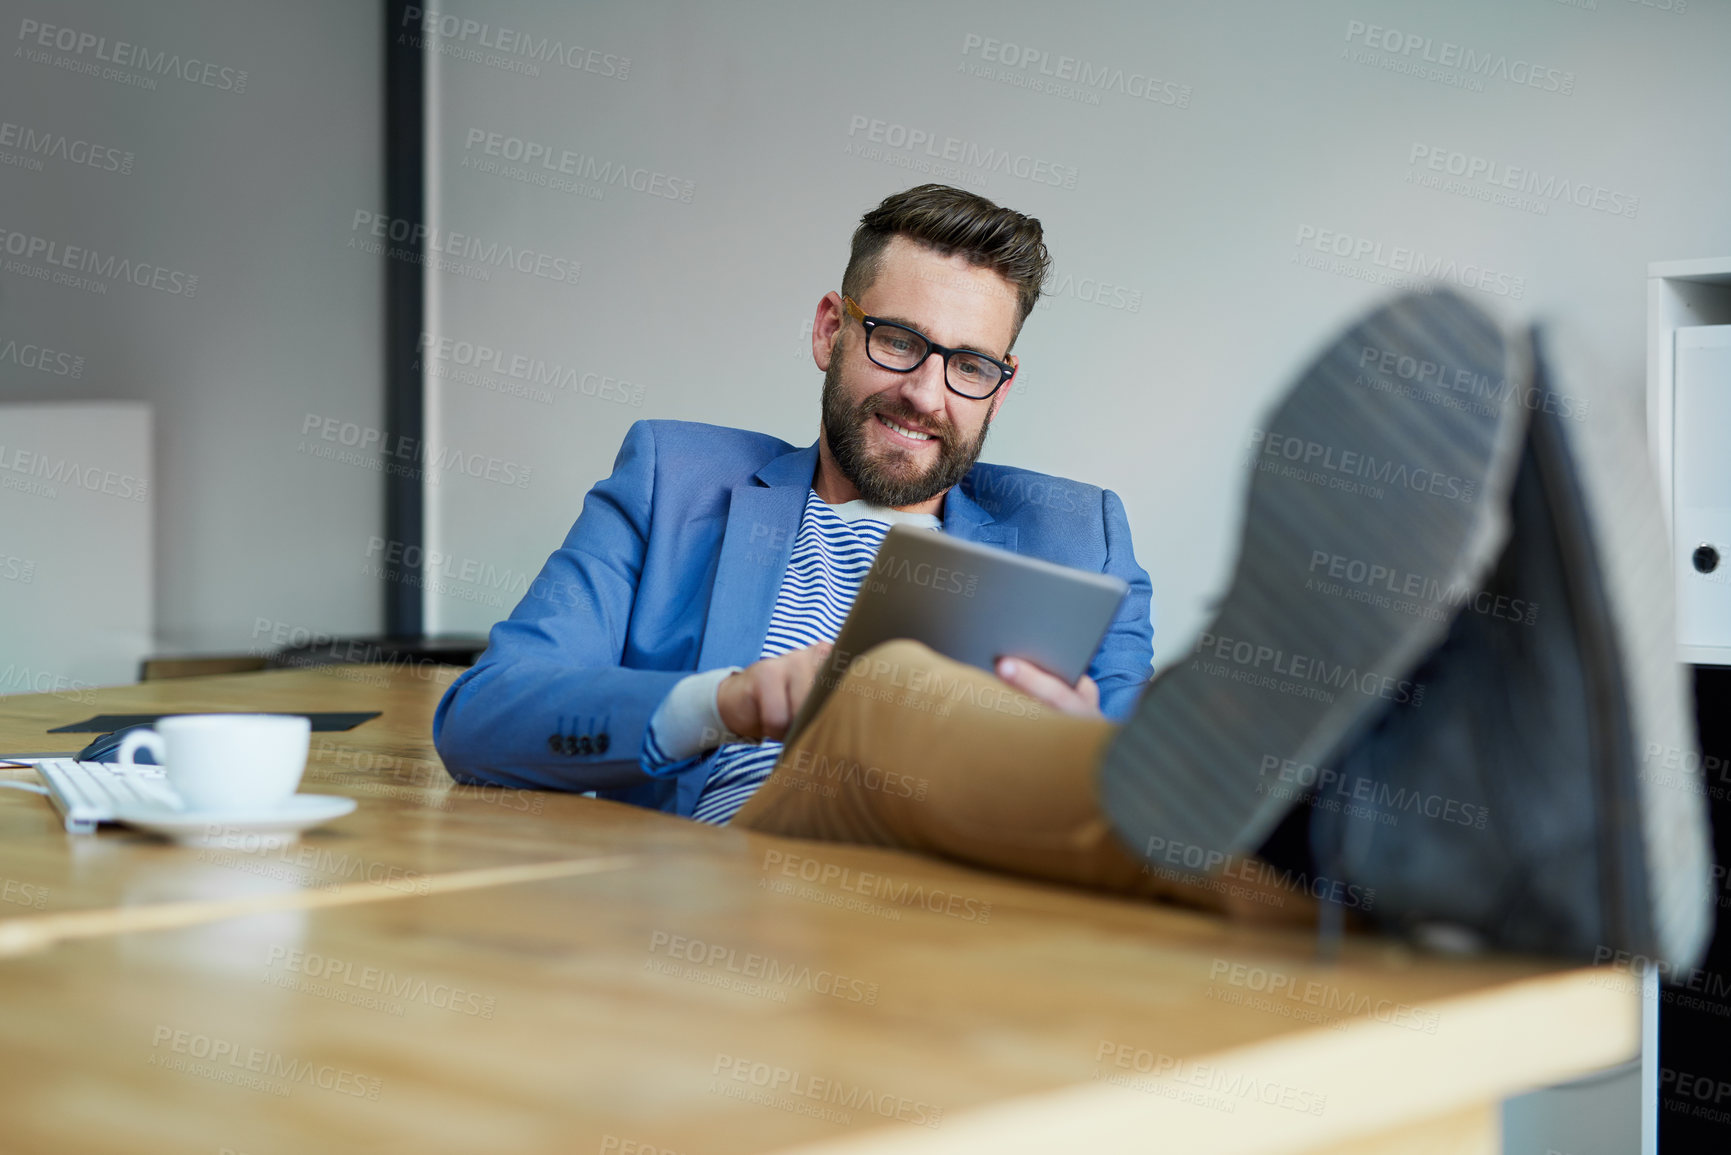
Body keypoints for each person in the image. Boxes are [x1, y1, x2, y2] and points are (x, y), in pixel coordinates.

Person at [434, 184, 1154, 822]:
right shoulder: (672, 481)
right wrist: (724, 704)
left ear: (1001, 386)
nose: (925, 395)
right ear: (829, 329)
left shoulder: (1079, 539)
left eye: (968, 365)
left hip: (946, 931)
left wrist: (1085, 761)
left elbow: (1158, 819)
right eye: (898, 340)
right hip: (716, 909)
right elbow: (482, 719)